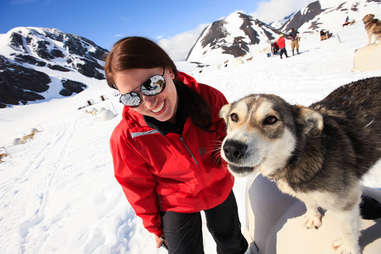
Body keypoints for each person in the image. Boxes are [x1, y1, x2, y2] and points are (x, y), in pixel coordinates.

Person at [104, 36, 248, 254]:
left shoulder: (209, 99)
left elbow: (232, 139)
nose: (149, 103)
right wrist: (154, 226)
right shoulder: (127, 138)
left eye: (152, 84)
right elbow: (136, 186)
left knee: (231, 243)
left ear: (170, 71)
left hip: (218, 186)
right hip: (175, 202)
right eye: (132, 98)